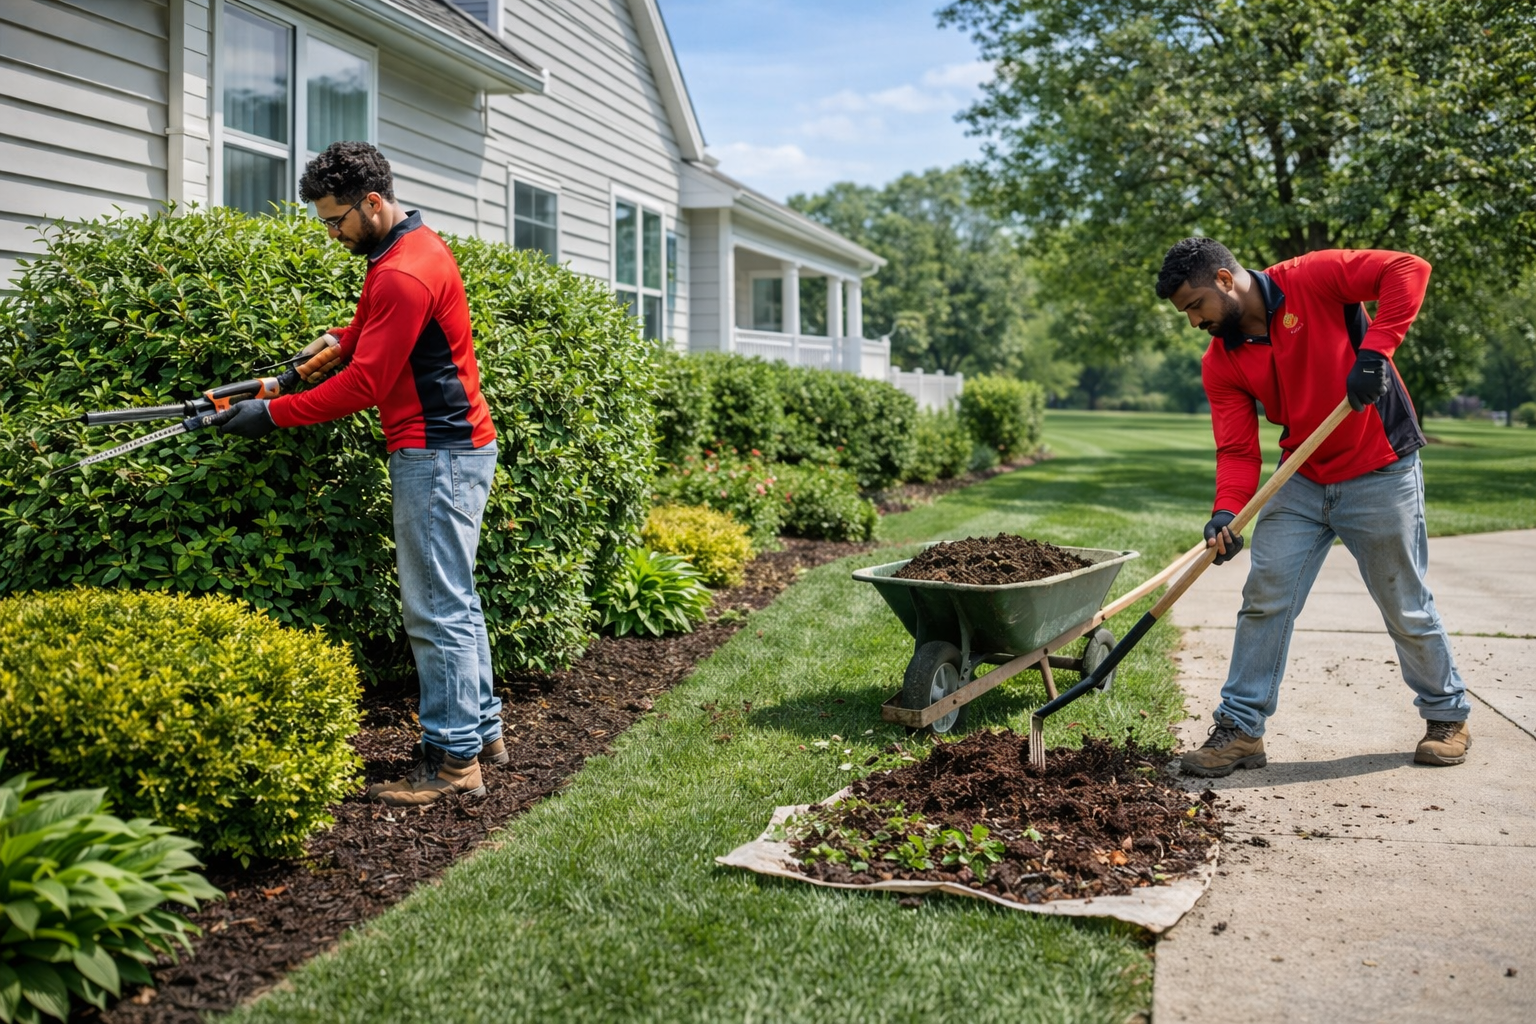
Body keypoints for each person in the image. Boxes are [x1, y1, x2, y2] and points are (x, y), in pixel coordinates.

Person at [211, 141, 505, 805]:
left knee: (435, 610)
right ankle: (481, 734)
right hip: (456, 447)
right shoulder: (406, 249)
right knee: (456, 599)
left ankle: (453, 762)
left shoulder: (403, 271)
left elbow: (368, 383)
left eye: (335, 220)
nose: (331, 233)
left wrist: (273, 415)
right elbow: (365, 333)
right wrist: (303, 365)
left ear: (372, 202)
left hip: (436, 452)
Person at [1154, 237, 1471, 778]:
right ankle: (1241, 729)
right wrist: (1227, 512)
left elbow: (1407, 268)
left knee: (1404, 602)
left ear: (1225, 280)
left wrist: (1375, 351)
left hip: (1380, 467)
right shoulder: (1221, 360)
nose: (1193, 322)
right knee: (1264, 598)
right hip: (1300, 477)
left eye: (1195, 306)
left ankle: (1447, 716)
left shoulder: (1312, 277)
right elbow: (1237, 450)